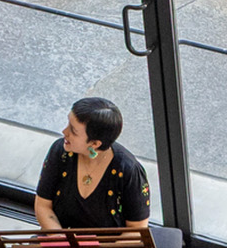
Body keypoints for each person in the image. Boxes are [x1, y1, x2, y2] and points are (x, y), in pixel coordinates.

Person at [33, 97, 152, 230]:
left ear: (95, 144)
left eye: (73, 131)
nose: (64, 132)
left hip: (109, 247)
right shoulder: (61, 152)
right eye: (68, 124)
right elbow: (43, 205)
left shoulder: (129, 170)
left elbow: (137, 230)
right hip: (59, 240)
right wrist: (60, 240)